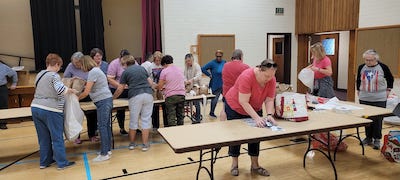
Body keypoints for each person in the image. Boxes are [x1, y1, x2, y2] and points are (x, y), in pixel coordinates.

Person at [224, 59, 277, 177]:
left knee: (255, 136)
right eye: (266, 76)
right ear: (259, 70)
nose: (269, 79)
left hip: (255, 107)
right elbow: (243, 101)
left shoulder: (271, 79)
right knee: (236, 135)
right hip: (235, 107)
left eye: (272, 76)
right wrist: (257, 118)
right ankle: (234, 164)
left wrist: (269, 115)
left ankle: (255, 165)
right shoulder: (247, 76)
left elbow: (269, 99)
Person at [31, 53, 76, 170]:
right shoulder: (54, 76)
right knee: (57, 137)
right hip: (51, 109)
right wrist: (70, 90)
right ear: (56, 64)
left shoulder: (39, 74)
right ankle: (62, 163)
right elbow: (60, 90)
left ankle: (44, 162)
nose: (59, 69)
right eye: (60, 66)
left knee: (43, 137)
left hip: (35, 107)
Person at [113, 55, 154, 151]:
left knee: (133, 120)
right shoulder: (142, 68)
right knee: (146, 120)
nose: (122, 66)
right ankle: (144, 145)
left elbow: (120, 88)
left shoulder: (125, 72)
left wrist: (113, 98)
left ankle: (132, 144)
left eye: (122, 64)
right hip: (148, 94)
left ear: (125, 63)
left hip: (135, 96)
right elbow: (151, 83)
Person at [357, 49, 394, 150]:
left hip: (379, 98)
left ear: (376, 59)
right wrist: (358, 90)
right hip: (364, 98)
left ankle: (377, 139)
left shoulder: (383, 67)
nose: (368, 62)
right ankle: (368, 137)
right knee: (367, 118)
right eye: (366, 60)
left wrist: (388, 90)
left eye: (370, 60)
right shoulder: (361, 67)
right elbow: (358, 80)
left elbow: (390, 78)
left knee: (378, 119)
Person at [78, 55, 113, 162]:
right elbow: (90, 85)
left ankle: (104, 154)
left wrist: (76, 99)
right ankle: (107, 150)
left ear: (85, 64)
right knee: (105, 126)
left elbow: (86, 92)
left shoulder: (93, 72)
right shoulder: (95, 71)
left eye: (81, 66)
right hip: (105, 99)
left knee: (102, 126)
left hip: (103, 101)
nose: (80, 68)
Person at [63, 52, 99, 144]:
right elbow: (65, 80)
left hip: (87, 93)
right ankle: (76, 136)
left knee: (91, 115)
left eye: (78, 62)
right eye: (74, 62)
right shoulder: (70, 66)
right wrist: (72, 79)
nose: (76, 64)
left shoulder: (88, 67)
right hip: (75, 94)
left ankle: (92, 135)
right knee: (75, 115)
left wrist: (84, 82)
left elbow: (93, 80)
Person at [107, 49, 133, 135]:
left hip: (130, 89)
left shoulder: (133, 62)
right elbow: (110, 78)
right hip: (117, 88)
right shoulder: (114, 64)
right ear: (120, 57)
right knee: (120, 109)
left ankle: (135, 128)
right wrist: (120, 86)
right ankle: (122, 128)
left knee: (134, 108)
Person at [220, 49, 250, 121]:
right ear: (241, 57)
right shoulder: (245, 67)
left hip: (226, 93)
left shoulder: (225, 65)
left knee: (224, 110)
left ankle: (222, 126)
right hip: (239, 94)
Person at [157, 55, 186, 126]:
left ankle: (172, 134)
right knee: (180, 116)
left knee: (171, 117)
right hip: (182, 95)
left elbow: (159, 86)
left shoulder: (164, 71)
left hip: (171, 97)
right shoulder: (180, 69)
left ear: (164, 64)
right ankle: (181, 131)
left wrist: (156, 86)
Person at [201, 50, 226, 118]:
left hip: (224, 84)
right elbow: (203, 68)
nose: (218, 58)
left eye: (220, 56)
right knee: (215, 100)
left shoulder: (224, 62)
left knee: (226, 99)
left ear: (222, 56)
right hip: (215, 84)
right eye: (217, 56)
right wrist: (209, 75)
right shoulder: (212, 63)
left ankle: (227, 112)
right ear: (215, 56)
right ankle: (211, 113)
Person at [149, 51, 168, 128]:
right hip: (154, 88)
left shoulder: (163, 66)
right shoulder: (151, 66)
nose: (158, 62)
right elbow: (149, 78)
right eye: (156, 60)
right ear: (154, 59)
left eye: (159, 60)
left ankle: (166, 124)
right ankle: (155, 125)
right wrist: (153, 85)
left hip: (163, 87)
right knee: (155, 107)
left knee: (164, 106)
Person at [183, 53, 203, 123]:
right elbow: (184, 75)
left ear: (192, 60)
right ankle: (191, 115)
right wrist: (185, 81)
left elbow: (199, 75)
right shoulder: (186, 66)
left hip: (196, 86)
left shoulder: (196, 66)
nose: (188, 62)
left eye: (189, 61)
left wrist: (192, 80)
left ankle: (197, 118)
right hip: (189, 86)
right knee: (188, 102)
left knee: (196, 102)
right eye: (186, 61)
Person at [0, 61, 18, 129]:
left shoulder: (3, 67)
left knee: (3, 105)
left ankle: (2, 123)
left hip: (1, 88)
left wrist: (14, 83)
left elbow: (14, 73)